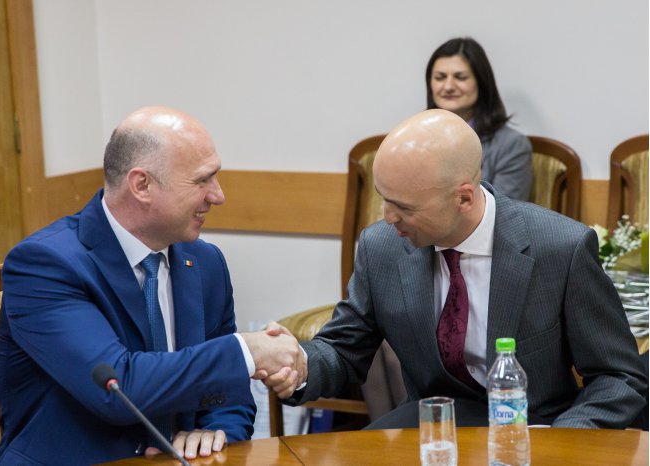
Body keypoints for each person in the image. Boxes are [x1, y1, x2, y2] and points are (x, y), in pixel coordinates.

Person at [265, 109, 647, 429]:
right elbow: (344, 349)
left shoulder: (560, 248)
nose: (388, 217)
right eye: (384, 199)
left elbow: (619, 377)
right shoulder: (381, 247)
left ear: (463, 197)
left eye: (404, 207)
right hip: (431, 426)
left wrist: (562, 442)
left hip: (533, 430)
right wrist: (299, 366)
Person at [0, 106, 305, 465]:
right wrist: (247, 351)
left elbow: (229, 393)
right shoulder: (45, 265)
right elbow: (117, 387)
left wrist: (216, 435)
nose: (218, 195)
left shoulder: (206, 262)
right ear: (142, 185)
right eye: (201, 181)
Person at [426, 37, 532, 201]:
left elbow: (503, 211)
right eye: (440, 77)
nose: (448, 86)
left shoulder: (511, 146)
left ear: (481, 83)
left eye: (460, 77)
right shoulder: (415, 140)